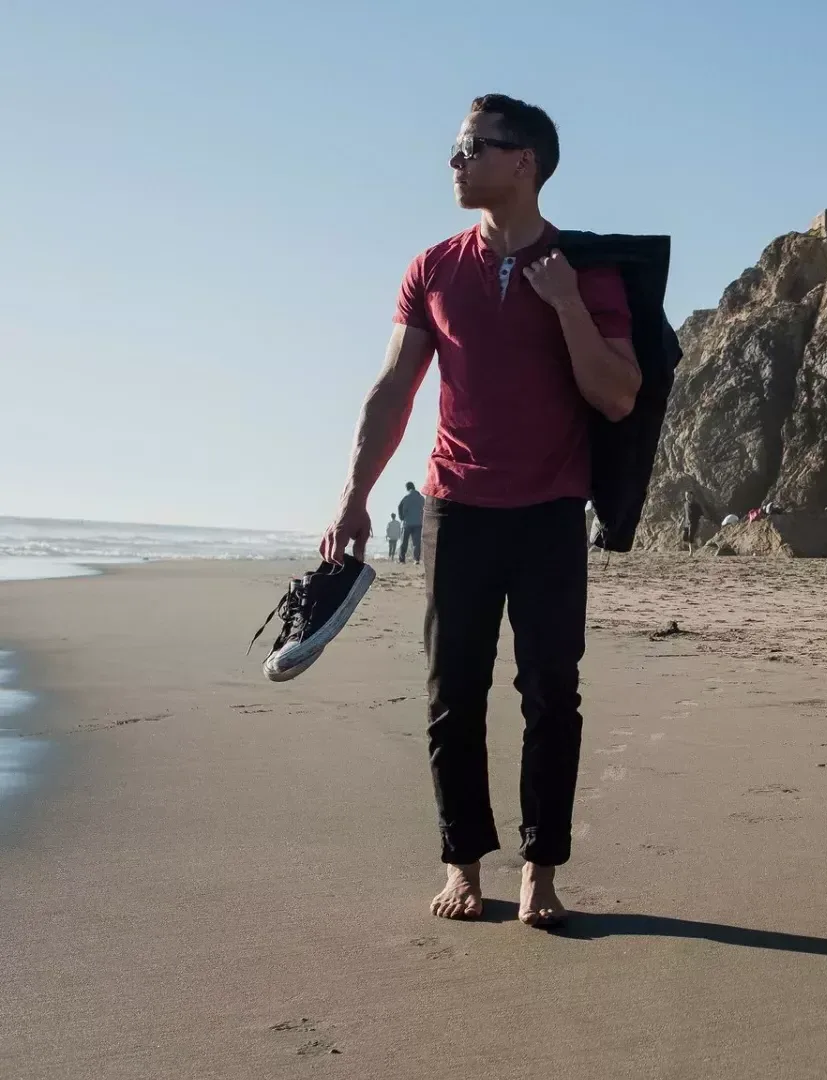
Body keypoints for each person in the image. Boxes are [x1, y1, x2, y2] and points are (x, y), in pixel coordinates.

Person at [318, 93, 641, 928]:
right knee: (451, 694)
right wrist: (354, 497)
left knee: (550, 696)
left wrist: (565, 300)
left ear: (523, 161)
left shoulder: (589, 270)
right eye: (457, 147)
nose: (455, 161)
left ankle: (541, 871)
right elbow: (394, 390)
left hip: (548, 515)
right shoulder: (432, 268)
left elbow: (617, 395)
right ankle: (462, 864)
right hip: (455, 510)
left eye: (471, 146)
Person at [396, 482, 425, 563]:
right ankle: (416, 559)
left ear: (407, 488)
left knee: (404, 542)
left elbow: (399, 507)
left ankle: (402, 560)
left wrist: (401, 517)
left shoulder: (406, 497)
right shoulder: (421, 498)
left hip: (407, 523)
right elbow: (425, 509)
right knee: (416, 543)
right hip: (418, 523)